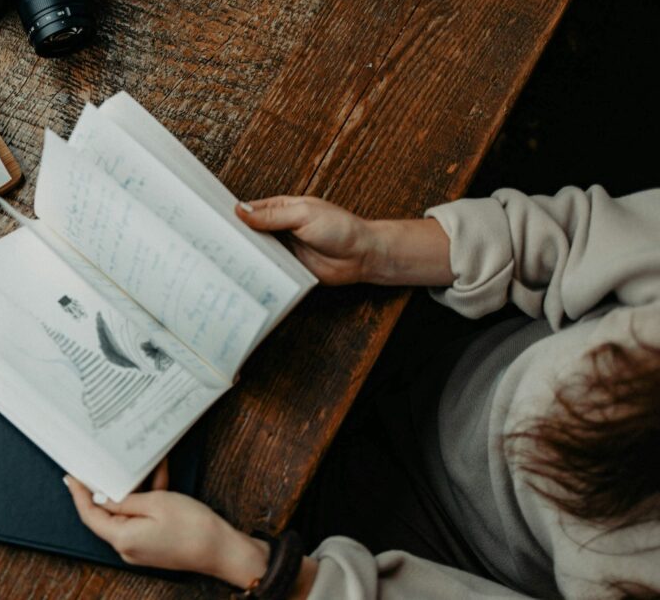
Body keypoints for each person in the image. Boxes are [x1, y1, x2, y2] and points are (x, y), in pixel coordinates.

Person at [63, 185, 660, 599]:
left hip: (424, 559)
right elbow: (584, 238)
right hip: (451, 355)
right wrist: (378, 249)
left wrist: (249, 567)